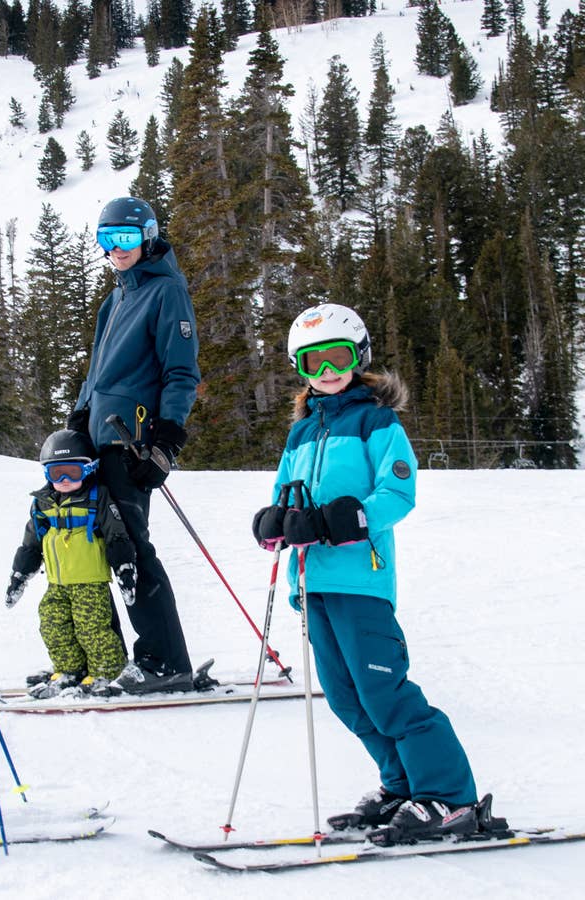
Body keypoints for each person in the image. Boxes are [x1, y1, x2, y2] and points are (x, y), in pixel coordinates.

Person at [251, 303, 483, 844]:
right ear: (301, 368)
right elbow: (285, 496)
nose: (326, 369)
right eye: (313, 361)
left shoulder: (378, 423)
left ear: (359, 357)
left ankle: (451, 799)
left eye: (337, 356)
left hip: (362, 579)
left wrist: (347, 518)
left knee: (387, 695)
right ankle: (403, 786)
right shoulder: (301, 433)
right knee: (346, 697)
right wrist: (275, 522)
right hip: (313, 583)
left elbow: (397, 493)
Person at [69, 196, 200, 694]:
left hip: (134, 442)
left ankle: (167, 664)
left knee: (133, 549)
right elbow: (98, 373)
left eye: (125, 238)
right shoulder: (116, 298)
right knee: (103, 546)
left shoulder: (166, 293)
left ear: (147, 236)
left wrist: (167, 440)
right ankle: (115, 657)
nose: (116, 249)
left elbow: (181, 371)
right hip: (101, 439)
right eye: (106, 240)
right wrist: (80, 418)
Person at [6, 429, 134, 699]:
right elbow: (31, 542)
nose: (63, 480)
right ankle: (69, 670)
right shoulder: (42, 503)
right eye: (56, 473)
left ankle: (106, 670)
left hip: (90, 581)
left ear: (88, 470)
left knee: (92, 628)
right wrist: (19, 575)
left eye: (72, 473)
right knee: (52, 623)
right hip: (57, 582)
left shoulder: (97, 497)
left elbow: (116, 535)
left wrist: (124, 568)